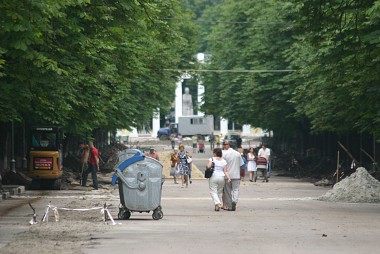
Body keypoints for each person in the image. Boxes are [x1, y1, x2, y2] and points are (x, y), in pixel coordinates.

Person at [222, 140, 244, 211]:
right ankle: (235, 201)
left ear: (228, 145)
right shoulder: (237, 154)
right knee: (236, 189)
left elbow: (223, 165)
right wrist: (241, 174)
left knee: (227, 191)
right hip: (236, 174)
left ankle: (230, 206)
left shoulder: (224, 154)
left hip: (227, 175)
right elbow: (241, 165)